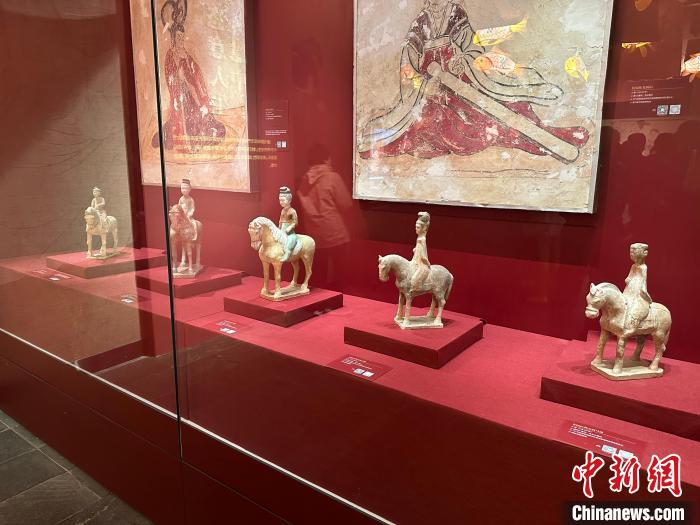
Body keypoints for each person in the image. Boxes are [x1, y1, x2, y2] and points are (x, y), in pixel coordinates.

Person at [358, 0, 588, 160]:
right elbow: (407, 65)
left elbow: (473, 46)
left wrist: (464, 58)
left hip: (462, 78)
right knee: (438, 123)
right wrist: (423, 84)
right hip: (433, 87)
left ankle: (545, 137)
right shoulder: (420, 22)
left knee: (498, 111)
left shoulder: (455, 13)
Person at [153, 0, 225, 152]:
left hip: (190, 94)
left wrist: (188, 74)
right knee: (183, 123)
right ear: (173, 39)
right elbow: (169, 76)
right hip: (179, 96)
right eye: (178, 38)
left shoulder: (186, 54)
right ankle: (173, 134)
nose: (180, 41)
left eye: (182, 37)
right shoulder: (170, 55)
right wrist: (178, 77)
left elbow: (196, 75)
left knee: (203, 121)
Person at [623, 242, 652, 336]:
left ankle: (631, 323)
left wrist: (644, 292)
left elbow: (643, 281)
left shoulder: (643, 267)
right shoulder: (635, 266)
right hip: (632, 286)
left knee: (633, 303)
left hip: (635, 286)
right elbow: (629, 278)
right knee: (627, 302)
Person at [410, 212, 431, 292]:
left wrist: (428, 263)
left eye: (418, 227)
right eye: (416, 227)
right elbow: (419, 250)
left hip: (421, 263)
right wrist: (416, 250)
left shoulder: (421, 239)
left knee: (415, 279)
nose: (416, 229)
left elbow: (423, 256)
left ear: (424, 228)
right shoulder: (420, 237)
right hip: (415, 260)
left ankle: (416, 290)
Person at [278, 187, 298, 262]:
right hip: (282, 230)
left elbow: (295, 222)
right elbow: (280, 220)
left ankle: (287, 253)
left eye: (283, 200)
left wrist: (289, 228)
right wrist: (279, 228)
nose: (281, 202)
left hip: (289, 232)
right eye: (280, 200)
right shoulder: (282, 211)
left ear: (289, 200)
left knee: (291, 240)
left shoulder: (292, 211)